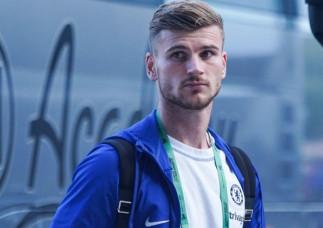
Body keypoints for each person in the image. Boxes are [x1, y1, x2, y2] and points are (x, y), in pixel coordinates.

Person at [50, 1, 265, 227]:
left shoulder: (242, 171)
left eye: (207, 53)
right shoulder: (111, 165)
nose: (195, 68)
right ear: (152, 67)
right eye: (179, 55)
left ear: (223, 65)